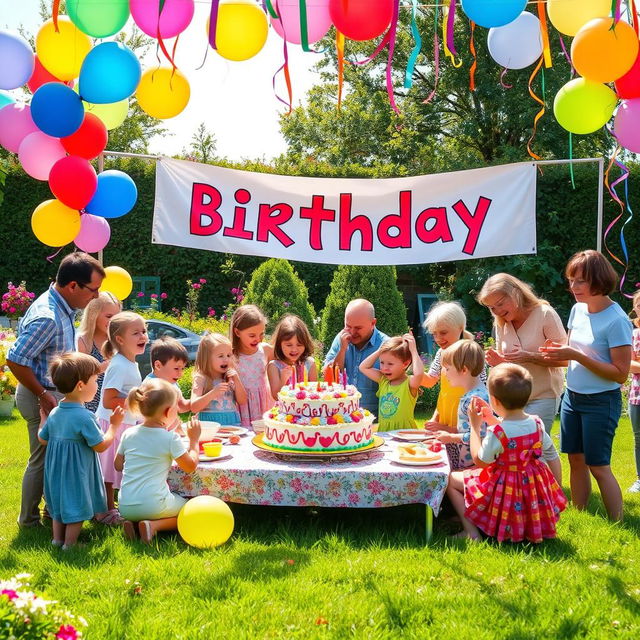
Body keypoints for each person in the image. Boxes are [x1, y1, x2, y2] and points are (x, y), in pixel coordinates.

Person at [6, 251, 105, 528]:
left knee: (56, 461)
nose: (96, 297)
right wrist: (44, 396)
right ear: (73, 286)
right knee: (43, 460)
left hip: (54, 394)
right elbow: (15, 359)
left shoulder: (61, 306)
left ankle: (54, 514)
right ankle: (28, 521)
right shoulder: (48, 316)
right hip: (43, 395)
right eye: (93, 290)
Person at [541, 250, 632, 522]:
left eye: (580, 281)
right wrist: (561, 350)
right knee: (575, 459)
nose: (573, 287)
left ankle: (618, 522)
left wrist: (576, 356)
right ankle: (580, 515)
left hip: (601, 401)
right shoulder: (577, 310)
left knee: (598, 465)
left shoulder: (617, 320)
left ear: (599, 280)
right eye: (571, 280)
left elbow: (620, 374)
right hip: (573, 397)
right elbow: (574, 347)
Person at [447, 363, 566, 542]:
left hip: (503, 488)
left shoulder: (498, 432)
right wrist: (491, 419)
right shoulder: (537, 424)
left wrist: (474, 426)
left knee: (450, 480)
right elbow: (550, 453)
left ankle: (471, 533)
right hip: (531, 488)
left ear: (494, 401)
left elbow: (480, 461)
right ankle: (527, 528)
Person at [38, 353, 124, 549]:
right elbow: (100, 445)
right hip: (77, 473)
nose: (97, 384)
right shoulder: (85, 417)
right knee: (76, 503)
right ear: (80, 385)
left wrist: (42, 421)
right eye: (95, 380)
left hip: (56, 472)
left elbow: (42, 439)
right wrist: (114, 426)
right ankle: (71, 544)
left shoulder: (55, 413)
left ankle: (57, 539)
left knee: (60, 504)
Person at [478, 273, 567, 434]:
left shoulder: (544, 313)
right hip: (510, 399)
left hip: (543, 396)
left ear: (515, 293)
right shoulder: (501, 323)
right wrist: (498, 363)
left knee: (532, 447)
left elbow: (567, 359)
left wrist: (531, 357)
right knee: (512, 449)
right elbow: (509, 366)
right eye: (492, 308)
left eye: (500, 304)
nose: (497, 311)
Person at [115, 379, 200, 543]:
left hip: (125, 506)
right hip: (153, 504)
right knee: (188, 509)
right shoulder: (170, 438)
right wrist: (194, 440)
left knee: (153, 503)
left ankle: (132, 524)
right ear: (169, 412)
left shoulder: (129, 433)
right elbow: (190, 467)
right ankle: (152, 526)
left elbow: (118, 465)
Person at [94, 311, 148, 523]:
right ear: (120, 339)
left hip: (122, 422)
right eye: (136, 333)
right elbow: (108, 399)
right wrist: (139, 401)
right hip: (112, 424)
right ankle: (106, 510)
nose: (143, 336)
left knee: (119, 468)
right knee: (108, 471)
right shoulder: (119, 365)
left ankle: (113, 506)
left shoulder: (129, 362)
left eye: (144, 331)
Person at [420, 301, 485, 431]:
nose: (438, 338)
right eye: (434, 333)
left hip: (464, 423)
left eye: (443, 333)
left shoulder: (470, 354)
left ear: (460, 328)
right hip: (445, 420)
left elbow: (482, 393)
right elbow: (434, 385)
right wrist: (435, 419)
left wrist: (446, 429)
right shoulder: (441, 352)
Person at [428, 339, 490, 469]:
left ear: (463, 370)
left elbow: (481, 434)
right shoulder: (473, 395)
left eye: (447, 368)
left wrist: (451, 437)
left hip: (472, 464)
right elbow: (465, 429)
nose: (445, 373)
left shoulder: (474, 399)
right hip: (467, 460)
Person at [323, 299, 389, 414]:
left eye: (358, 328)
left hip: (375, 418)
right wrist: (343, 349)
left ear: (373, 323)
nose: (352, 332)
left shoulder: (386, 345)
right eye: (348, 326)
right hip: (342, 415)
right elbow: (330, 375)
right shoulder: (341, 339)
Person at [359, 333, 423, 430]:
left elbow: (419, 374)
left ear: (405, 364)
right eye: (382, 362)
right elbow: (363, 367)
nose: (385, 368)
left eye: (390, 364)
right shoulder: (383, 381)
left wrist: (413, 350)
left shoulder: (410, 383)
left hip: (404, 434)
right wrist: (379, 351)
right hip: (384, 432)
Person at [76, 291, 122, 412]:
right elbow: (79, 377)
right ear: (93, 315)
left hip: (115, 402)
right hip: (92, 404)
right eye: (108, 316)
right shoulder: (84, 341)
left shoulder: (118, 340)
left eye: (116, 317)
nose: (113, 321)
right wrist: (101, 368)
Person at [230, 305, 274, 426]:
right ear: (237, 332)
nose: (258, 339)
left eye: (261, 334)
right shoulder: (230, 355)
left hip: (264, 403)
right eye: (252, 335)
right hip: (242, 405)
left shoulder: (266, 350)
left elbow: (284, 362)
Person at [191, 333, 247, 424]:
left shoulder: (230, 377)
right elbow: (194, 407)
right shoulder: (201, 378)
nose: (226, 359)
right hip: (209, 424)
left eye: (229, 355)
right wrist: (213, 393)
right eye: (221, 356)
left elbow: (242, 401)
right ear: (207, 358)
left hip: (231, 423)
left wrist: (236, 380)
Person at [145, 336, 191, 432]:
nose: (181, 373)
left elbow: (181, 406)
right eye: (176, 368)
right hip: (154, 436)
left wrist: (205, 398)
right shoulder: (151, 387)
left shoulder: (172, 383)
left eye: (182, 368)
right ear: (158, 365)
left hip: (169, 435)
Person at [267, 314, 317, 399]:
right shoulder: (274, 366)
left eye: (299, 344)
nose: (294, 349)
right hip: (284, 411)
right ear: (279, 344)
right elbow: (275, 396)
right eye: (289, 345)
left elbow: (315, 393)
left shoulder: (309, 363)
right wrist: (283, 379)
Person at [628, 290, 640, 493]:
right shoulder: (633, 334)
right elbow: (628, 364)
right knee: (638, 437)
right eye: (638, 304)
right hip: (637, 394)